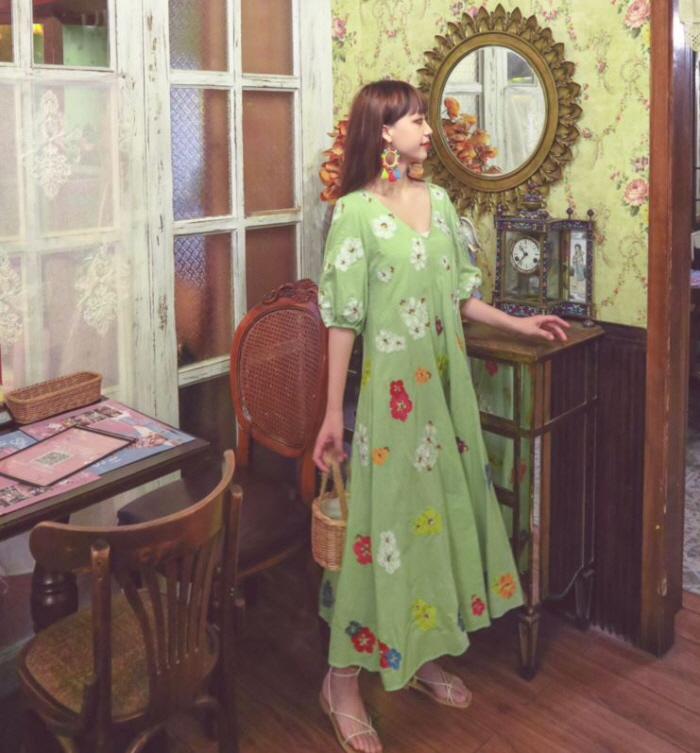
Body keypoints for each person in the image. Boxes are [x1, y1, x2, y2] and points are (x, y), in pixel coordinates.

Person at [312, 80, 569, 753]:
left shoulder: (443, 203)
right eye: (416, 120)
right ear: (384, 131)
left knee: (434, 523)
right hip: (389, 404)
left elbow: (460, 298)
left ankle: (423, 651)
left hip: (444, 396)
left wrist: (519, 323)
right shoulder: (354, 214)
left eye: (427, 118)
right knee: (380, 528)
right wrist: (331, 414)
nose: (429, 130)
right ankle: (341, 681)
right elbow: (342, 321)